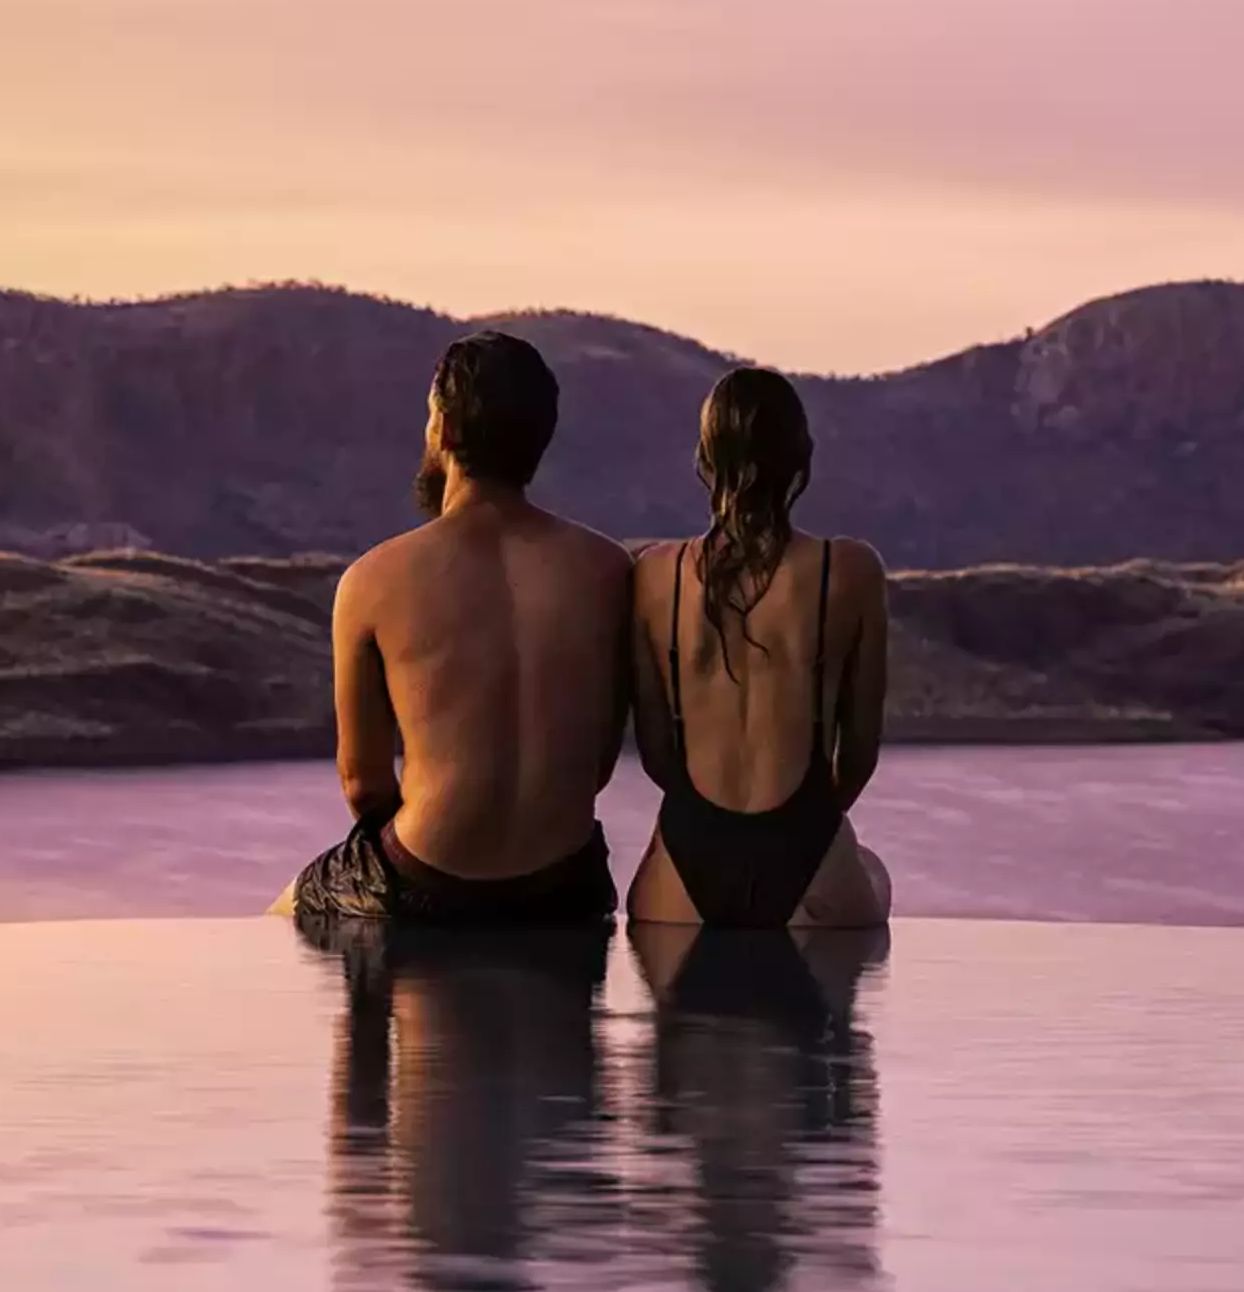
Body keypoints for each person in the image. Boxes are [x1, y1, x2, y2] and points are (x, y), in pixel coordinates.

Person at [282, 331, 635, 927]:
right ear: (538, 441)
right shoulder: (609, 569)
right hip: (566, 882)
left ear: (442, 429)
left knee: (290, 903)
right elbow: (597, 766)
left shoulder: (372, 579)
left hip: (426, 877)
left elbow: (363, 785)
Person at [629, 368, 894, 929]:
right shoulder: (850, 570)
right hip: (808, 854)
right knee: (873, 874)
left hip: (685, 864)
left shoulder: (655, 575)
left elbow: (656, 754)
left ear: (705, 459)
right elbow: (860, 753)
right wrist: (801, 829)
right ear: (801, 458)